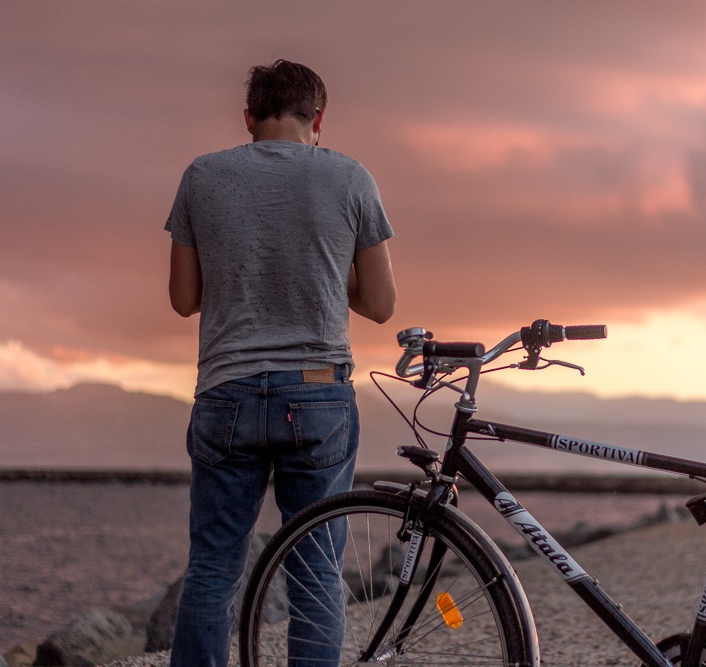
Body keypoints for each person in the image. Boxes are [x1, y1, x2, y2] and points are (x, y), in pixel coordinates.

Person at [164, 59, 396, 667]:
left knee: (214, 566)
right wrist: (323, 271)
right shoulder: (351, 178)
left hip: (226, 392)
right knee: (316, 570)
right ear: (318, 119)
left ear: (249, 117)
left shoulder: (202, 177)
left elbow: (184, 299)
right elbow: (379, 304)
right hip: (318, 395)